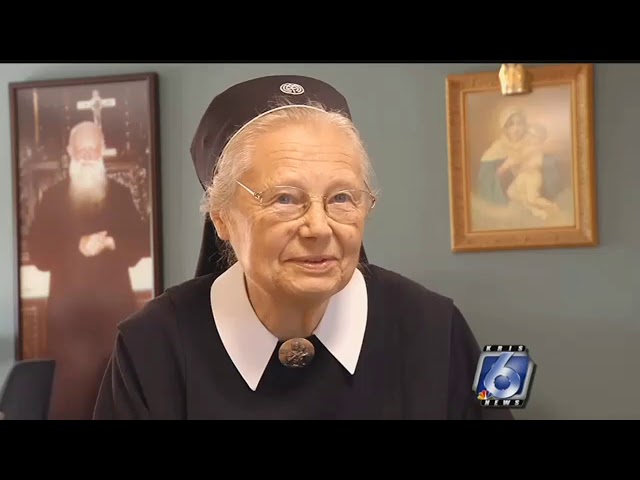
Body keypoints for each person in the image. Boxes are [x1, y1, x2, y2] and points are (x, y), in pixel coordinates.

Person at [93, 75, 514, 420]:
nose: (318, 227)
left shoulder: (437, 327)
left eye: (342, 198)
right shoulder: (150, 346)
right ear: (221, 217)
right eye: (285, 199)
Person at [27, 120, 149, 420]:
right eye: (81, 150)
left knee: (119, 401)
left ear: (102, 151)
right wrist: (77, 245)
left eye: (93, 149)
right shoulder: (53, 197)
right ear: (70, 151)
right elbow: (38, 253)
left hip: (116, 317)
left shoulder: (119, 195)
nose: (87, 155)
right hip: (68, 322)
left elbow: (140, 244)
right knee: (70, 403)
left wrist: (111, 242)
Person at [475, 107, 563, 207]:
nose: (516, 129)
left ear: (525, 126)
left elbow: (543, 159)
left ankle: (545, 204)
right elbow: (487, 174)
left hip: (531, 180)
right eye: (511, 125)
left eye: (519, 124)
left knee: (533, 194)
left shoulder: (532, 141)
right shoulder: (498, 146)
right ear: (505, 128)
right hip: (514, 183)